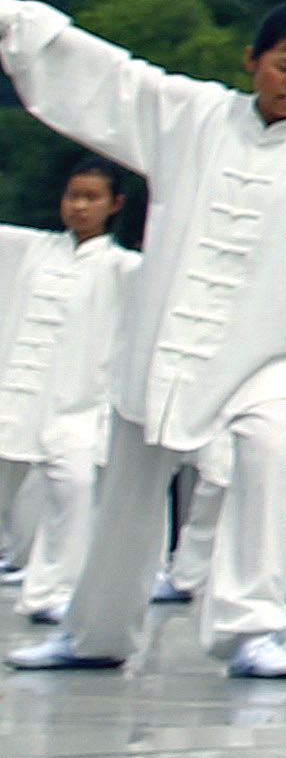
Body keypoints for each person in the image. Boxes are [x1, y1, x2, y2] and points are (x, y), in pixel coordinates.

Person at [0, 0, 286, 680]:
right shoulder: (189, 115)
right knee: (132, 486)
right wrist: (18, 20)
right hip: (165, 340)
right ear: (252, 62)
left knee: (270, 460)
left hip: (266, 350)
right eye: (284, 66)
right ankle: (95, 632)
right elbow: (108, 76)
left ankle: (252, 626)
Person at [0, 169, 139, 627]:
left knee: (73, 489)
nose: (79, 206)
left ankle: (52, 591)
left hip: (76, 401)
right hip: (15, 391)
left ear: (114, 205)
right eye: (72, 195)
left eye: (91, 198)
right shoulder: (31, 250)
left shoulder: (123, 268)